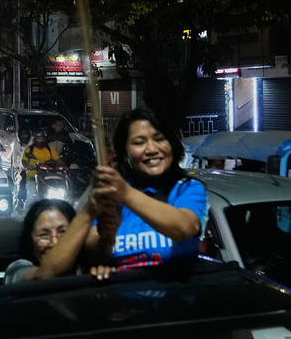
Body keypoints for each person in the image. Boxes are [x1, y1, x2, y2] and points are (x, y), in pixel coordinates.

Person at [83, 107, 209, 270]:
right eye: (139, 142)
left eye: (160, 139)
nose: (151, 149)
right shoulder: (111, 195)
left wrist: (125, 193)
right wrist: (103, 247)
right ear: (124, 151)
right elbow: (89, 251)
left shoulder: (187, 189)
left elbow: (185, 227)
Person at [5, 199, 114, 284]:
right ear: (30, 241)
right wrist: (88, 212)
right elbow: (44, 275)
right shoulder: (16, 270)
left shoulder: (84, 269)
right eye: (44, 235)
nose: (55, 242)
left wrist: (99, 277)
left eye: (63, 232)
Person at [17, 129, 62, 210]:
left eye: (42, 138)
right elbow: (23, 161)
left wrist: (62, 165)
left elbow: (58, 160)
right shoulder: (29, 149)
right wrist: (28, 166)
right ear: (35, 139)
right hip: (33, 177)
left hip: (48, 176)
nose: (40, 140)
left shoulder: (49, 149)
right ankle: (26, 214)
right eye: (38, 138)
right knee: (31, 195)